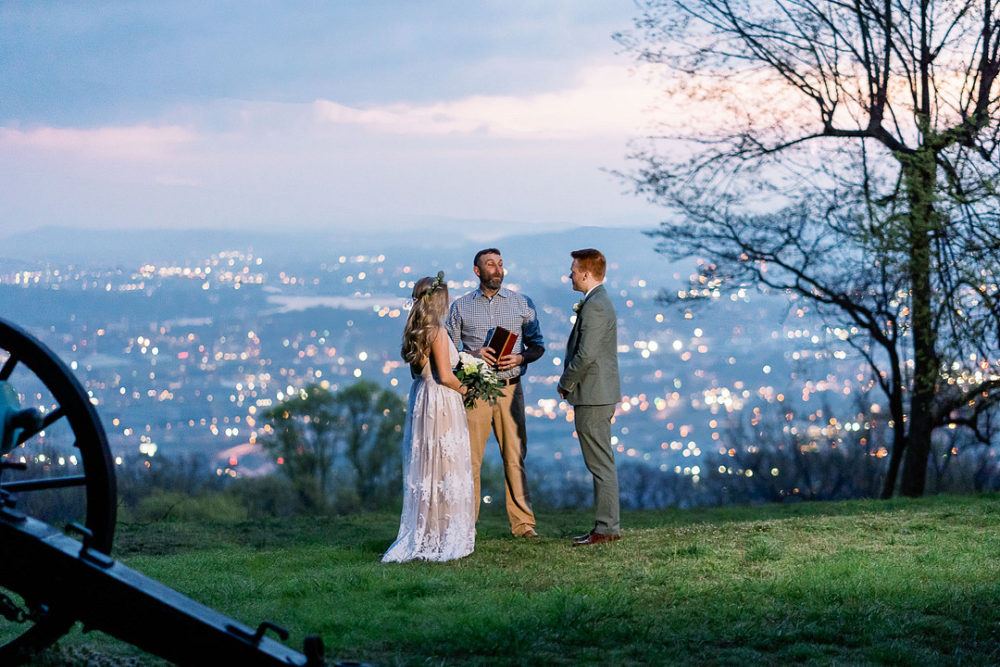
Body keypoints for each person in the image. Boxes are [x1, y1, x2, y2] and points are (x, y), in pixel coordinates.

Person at [446, 248, 544, 538]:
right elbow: (447, 351)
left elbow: (538, 344)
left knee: (515, 458)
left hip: (511, 390)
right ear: (477, 271)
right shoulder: (461, 307)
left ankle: (524, 525)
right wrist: (473, 353)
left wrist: (521, 358)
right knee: (470, 460)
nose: (498, 269)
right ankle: (466, 525)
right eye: (491, 265)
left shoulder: (521, 303)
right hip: (475, 391)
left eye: (501, 264)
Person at [383, 273, 475, 562]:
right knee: (444, 464)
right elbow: (445, 376)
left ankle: (430, 525)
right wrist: (467, 390)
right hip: (441, 401)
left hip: (422, 398)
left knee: (428, 464)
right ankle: (444, 531)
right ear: (439, 299)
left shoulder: (417, 330)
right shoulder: (436, 330)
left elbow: (419, 372)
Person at [558, 249, 623, 546]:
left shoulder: (595, 306)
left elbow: (585, 354)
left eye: (573, 269)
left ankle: (607, 528)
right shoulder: (597, 302)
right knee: (600, 461)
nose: (570, 274)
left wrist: (566, 382)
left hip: (594, 395)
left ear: (586, 273)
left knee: (599, 463)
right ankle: (604, 525)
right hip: (597, 394)